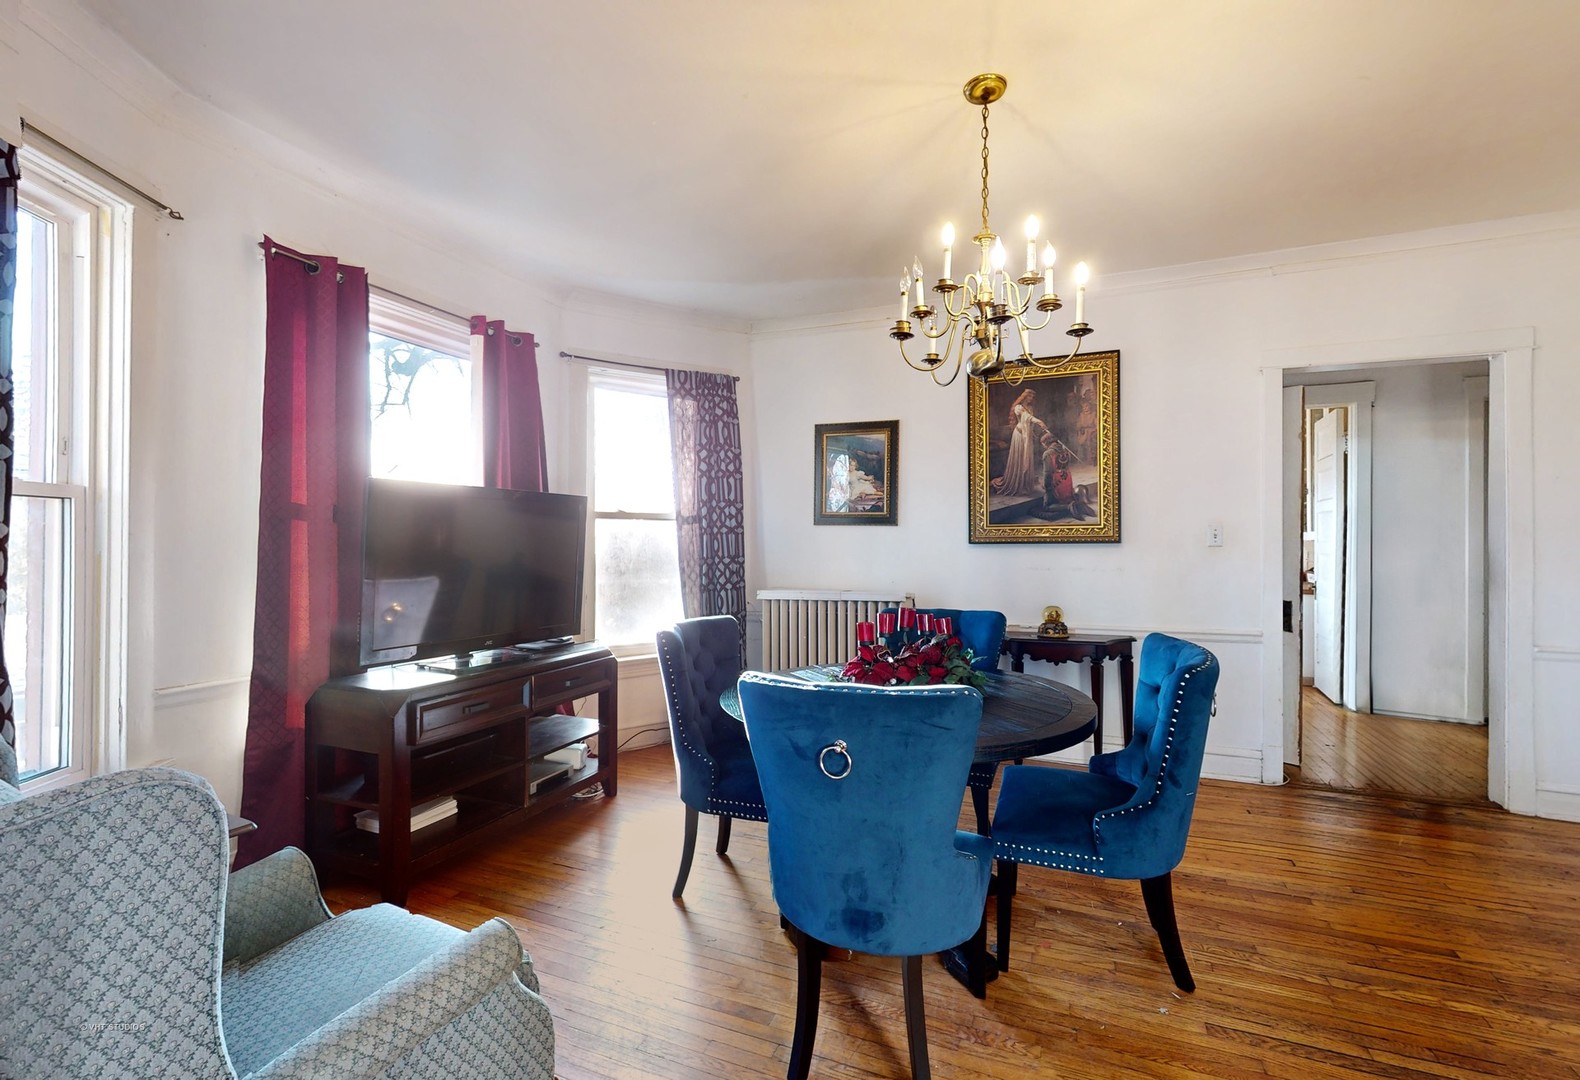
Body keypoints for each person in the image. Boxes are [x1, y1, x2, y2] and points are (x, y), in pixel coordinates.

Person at [991, 388, 1048, 497]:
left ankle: (1025, 484)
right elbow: (1027, 418)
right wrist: (1039, 422)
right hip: (1020, 435)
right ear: (1024, 396)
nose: (1031, 399)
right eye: (1029, 396)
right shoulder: (1018, 407)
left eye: (1032, 397)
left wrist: (1033, 433)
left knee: (1026, 460)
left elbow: (1029, 423)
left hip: (1027, 436)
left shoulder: (1030, 407)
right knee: (1020, 459)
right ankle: (1016, 484)